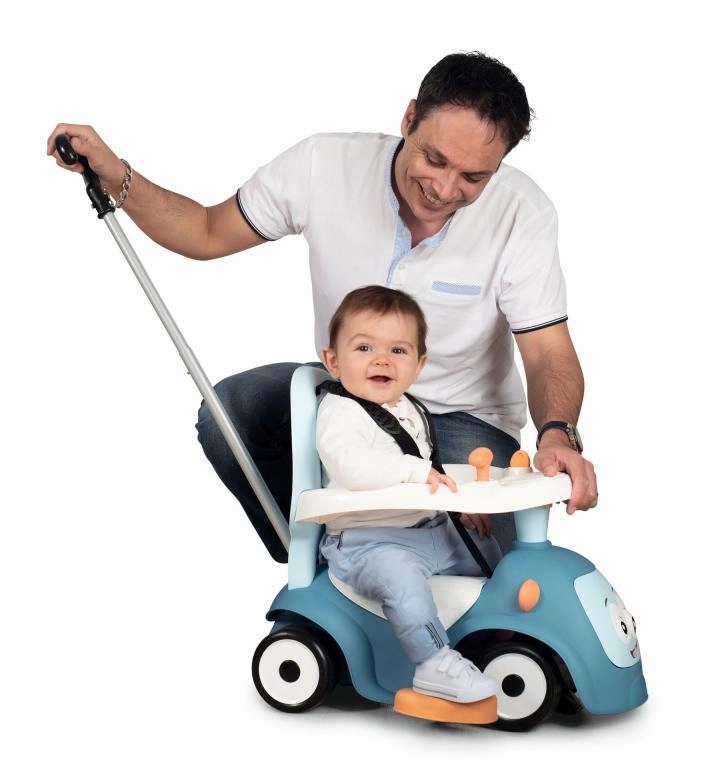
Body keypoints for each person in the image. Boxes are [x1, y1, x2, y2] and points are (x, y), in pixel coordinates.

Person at [47, 51, 598, 563]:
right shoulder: (323, 163)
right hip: (349, 393)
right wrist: (116, 173)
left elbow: (548, 351)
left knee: (481, 574)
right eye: (435, 159)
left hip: (464, 417)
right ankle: (324, 562)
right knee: (230, 413)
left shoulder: (524, 212)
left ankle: (402, 561)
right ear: (409, 119)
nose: (444, 188)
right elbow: (206, 230)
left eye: (473, 177)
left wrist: (558, 434)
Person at [316, 285, 500, 703]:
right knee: (404, 585)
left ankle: (490, 634)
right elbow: (352, 467)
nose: (382, 360)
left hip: (427, 529)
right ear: (334, 360)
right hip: (368, 543)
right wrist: (414, 471)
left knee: (484, 550)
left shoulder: (410, 408)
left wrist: (457, 506)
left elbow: (432, 470)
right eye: (364, 348)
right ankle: (434, 663)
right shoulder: (341, 413)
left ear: (419, 365)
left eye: (398, 351)